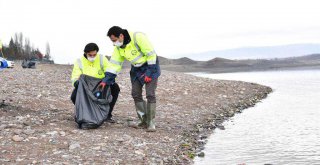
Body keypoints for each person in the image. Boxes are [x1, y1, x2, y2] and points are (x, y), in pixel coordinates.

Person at [100, 26, 161, 132]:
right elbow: (114, 65)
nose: (114, 43)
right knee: (135, 94)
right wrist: (105, 80)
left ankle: (151, 122)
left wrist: (149, 73)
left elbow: (151, 55)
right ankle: (143, 121)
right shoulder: (118, 48)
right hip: (136, 70)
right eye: (112, 41)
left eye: (114, 40)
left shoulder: (138, 37)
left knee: (150, 94)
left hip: (151, 67)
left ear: (121, 36)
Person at [71, 43, 120, 123]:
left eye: (94, 55)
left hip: (100, 85)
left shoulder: (101, 58)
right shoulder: (79, 61)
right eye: (90, 55)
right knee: (74, 96)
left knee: (115, 88)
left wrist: (106, 81)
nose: (92, 57)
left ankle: (107, 114)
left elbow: (109, 71)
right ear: (85, 53)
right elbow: (75, 77)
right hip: (86, 87)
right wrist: (77, 83)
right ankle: (87, 113)